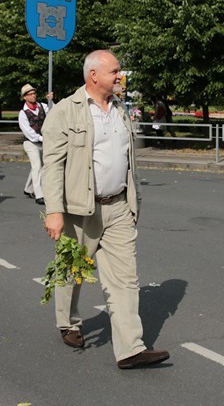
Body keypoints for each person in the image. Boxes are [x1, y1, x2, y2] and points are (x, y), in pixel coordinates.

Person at [42, 50, 170, 369]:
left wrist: (133, 200)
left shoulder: (120, 109)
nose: (119, 75)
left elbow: (129, 162)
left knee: (125, 279)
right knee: (73, 271)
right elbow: (52, 165)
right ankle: (69, 321)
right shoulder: (65, 112)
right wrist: (54, 210)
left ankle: (130, 349)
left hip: (117, 208)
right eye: (114, 71)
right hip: (78, 211)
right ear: (93, 75)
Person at [18, 84, 51, 204]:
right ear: (25, 97)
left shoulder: (42, 106)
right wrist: (43, 139)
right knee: (37, 166)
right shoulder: (23, 113)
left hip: (43, 141)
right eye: (30, 94)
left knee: (39, 166)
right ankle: (39, 194)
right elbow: (29, 133)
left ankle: (28, 188)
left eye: (34, 93)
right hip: (30, 143)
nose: (33, 95)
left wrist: (51, 101)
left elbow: (56, 111)